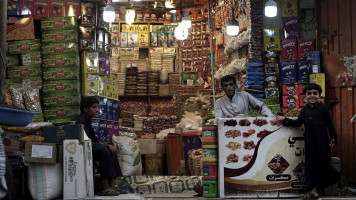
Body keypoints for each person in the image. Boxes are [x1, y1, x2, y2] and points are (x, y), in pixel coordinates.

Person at [276, 83, 341, 199]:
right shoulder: (304, 109)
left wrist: (334, 138)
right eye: (309, 93)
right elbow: (298, 123)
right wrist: (285, 120)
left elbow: (330, 124)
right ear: (305, 95)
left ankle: (338, 180)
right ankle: (313, 191)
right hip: (310, 143)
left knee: (324, 165)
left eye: (315, 93)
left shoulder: (323, 108)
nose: (312, 96)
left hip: (322, 142)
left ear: (319, 95)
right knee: (311, 167)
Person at [73, 96, 124, 196]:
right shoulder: (80, 121)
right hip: (81, 148)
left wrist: (108, 146)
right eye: (94, 107)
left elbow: (94, 140)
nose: (97, 110)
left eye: (97, 107)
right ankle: (104, 187)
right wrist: (107, 147)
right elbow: (84, 142)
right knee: (104, 150)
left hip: (88, 146)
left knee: (110, 150)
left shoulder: (88, 121)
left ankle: (112, 185)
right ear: (86, 109)